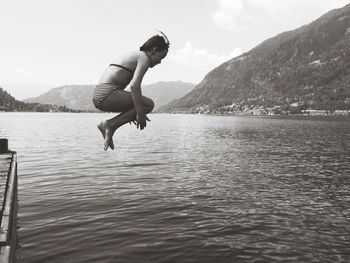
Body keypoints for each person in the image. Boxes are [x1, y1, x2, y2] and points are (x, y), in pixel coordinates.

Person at [93, 31, 170, 150]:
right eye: (161, 57)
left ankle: (110, 125)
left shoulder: (136, 55)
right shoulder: (144, 58)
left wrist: (134, 112)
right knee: (149, 105)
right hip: (107, 93)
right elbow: (134, 86)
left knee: (142, 105)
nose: (159, 62)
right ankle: (109, 125)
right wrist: (139, 113)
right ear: (154, 50)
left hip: (101, 94)